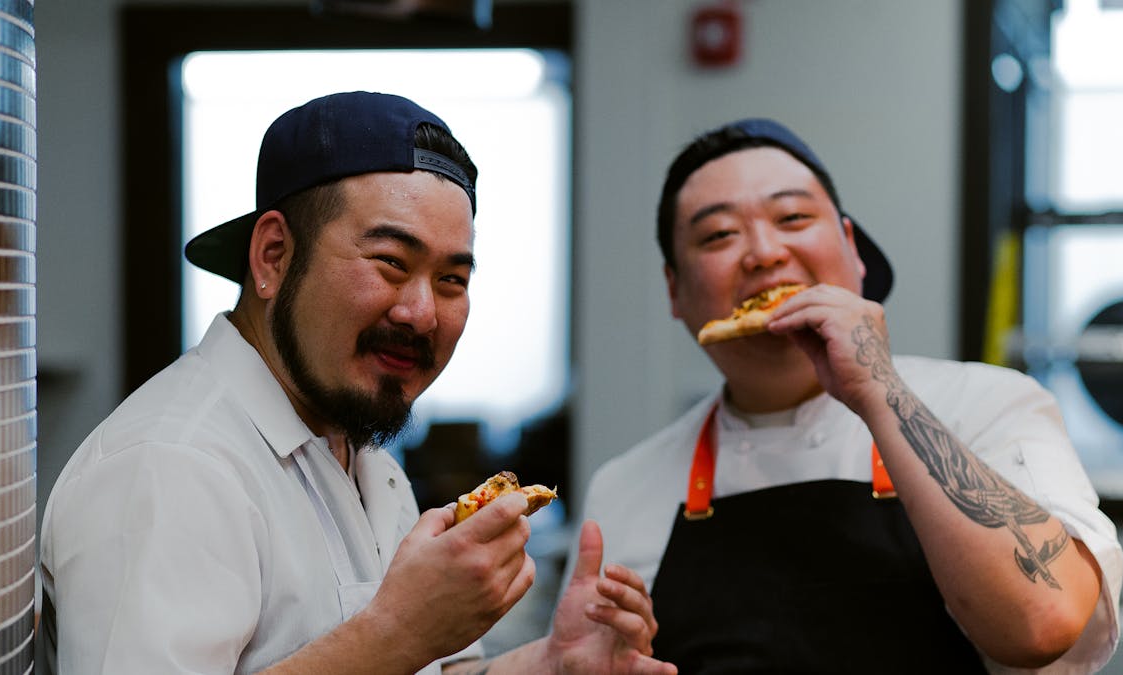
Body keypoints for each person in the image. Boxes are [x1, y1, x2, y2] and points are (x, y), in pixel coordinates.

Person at [39, 91, 676, 675]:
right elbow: (393, 645)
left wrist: (552, 666)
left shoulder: (358, 445)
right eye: (390, 263)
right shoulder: (171, 468)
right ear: (273, 257)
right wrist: (399, 630)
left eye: (453, 280)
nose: (423, 313)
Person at [570, 118, 1123, 673]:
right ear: (674, 290)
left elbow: (1043, 621)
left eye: (793, 218)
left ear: (853, 251)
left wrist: (875, 387)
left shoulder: (986, 405)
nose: (763, 253)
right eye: (718, 235)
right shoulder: (625, 487)